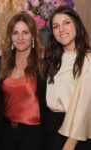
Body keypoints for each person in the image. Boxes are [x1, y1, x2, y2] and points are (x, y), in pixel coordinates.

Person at [0, 12, 47, 150]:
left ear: (33, 36)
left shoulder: (43, 65)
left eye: (25, 32)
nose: (20, 38)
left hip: (34, 135)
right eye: (15, 33)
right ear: (10, 37)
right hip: (5, 133)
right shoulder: (0, 63)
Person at [45, 6, 91, 150]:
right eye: (56, 26)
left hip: (74, 130)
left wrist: (71, 143)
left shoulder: (87, 59)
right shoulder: (53, 58)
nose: (61, 29)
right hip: (52, 124)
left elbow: (84, 106)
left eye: (66, 23)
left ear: (76, 24)